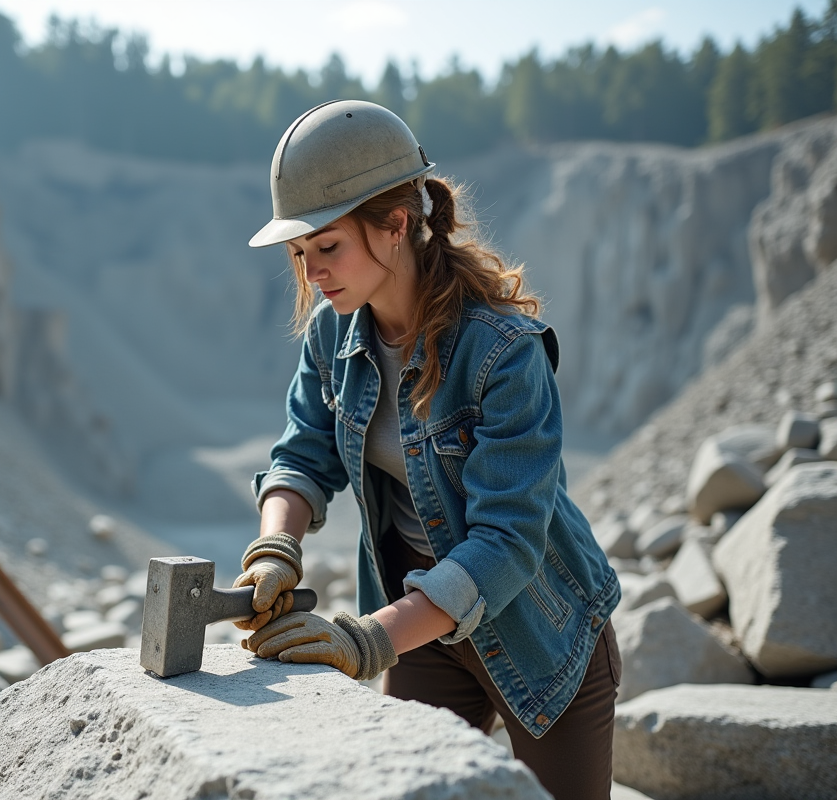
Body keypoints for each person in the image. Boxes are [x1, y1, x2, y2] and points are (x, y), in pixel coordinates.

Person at [233, 100, 621, 800]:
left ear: (396, 225)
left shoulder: (504, 352)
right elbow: (302, 456)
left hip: (540, 633)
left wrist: (366, 641)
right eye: (300, 254)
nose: (313, 272)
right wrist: (275, 550)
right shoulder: (331, 334)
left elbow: (507, 541)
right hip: (422, 628)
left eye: (328, 247)